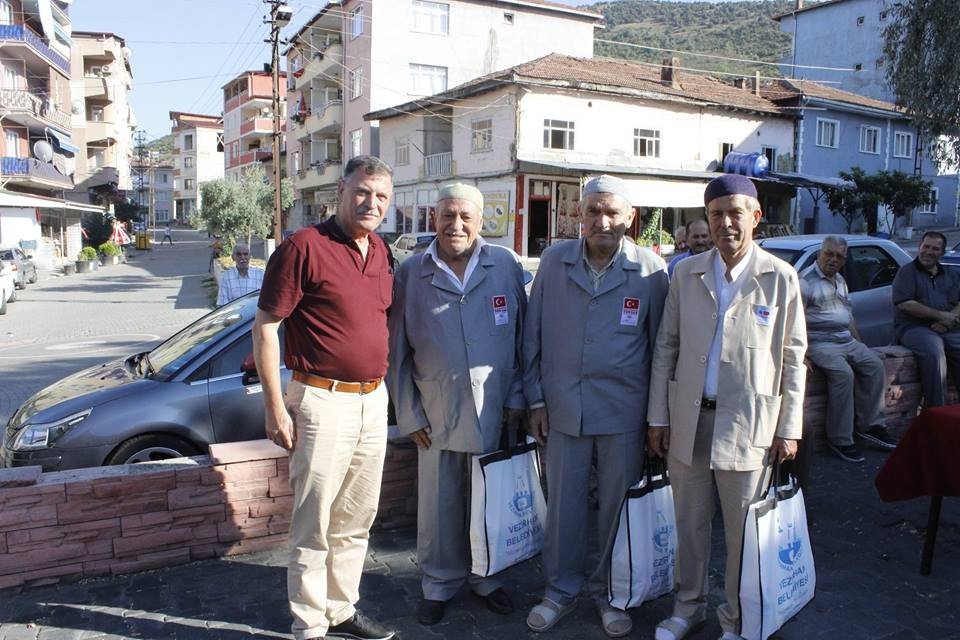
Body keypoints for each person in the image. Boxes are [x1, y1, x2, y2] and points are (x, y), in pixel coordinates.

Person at [647, 174, 806, 640]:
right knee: (689, 525)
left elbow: (794, 358)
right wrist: (659, 415)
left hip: (749, 424)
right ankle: (687, 606)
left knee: (742, 535)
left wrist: (789, 426)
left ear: (756, 216)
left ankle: (735, 619)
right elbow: (667, 346)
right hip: (689, 419)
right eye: (716, 214)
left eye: (736, 212)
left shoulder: (780, 277)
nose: (726, 223)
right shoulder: (687, 271)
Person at [252, 155, 397, 640]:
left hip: (372, 402)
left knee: (356, 517)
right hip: (320, 399)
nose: (370, 203)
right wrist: (275, 406)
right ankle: (310, 623)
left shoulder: (380, 251)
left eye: (380, 197)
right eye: (362, 192)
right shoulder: (302, 248)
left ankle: (341, 608)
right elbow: (267, 327)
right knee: (313, 520)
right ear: (341, 189)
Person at [523, 175, 669, 638]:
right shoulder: (553, 262)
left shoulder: (649, 271)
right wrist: (537, 398)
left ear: (630, 217)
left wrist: (655, 417)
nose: (602, 221)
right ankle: (560, 591)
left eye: (612, 212)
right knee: (564, 505)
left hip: (623, 411)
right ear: (579, 216)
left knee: (615, 507)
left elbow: (661, 349)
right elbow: (534, 335)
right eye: (593, 211)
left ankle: (609, 593)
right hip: (563, 406)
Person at [387, 183, 526, 627]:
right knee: (440, 507)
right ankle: (439, 584)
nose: (456, 225)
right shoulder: (411, 271)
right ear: (434, 220)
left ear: (481, 221)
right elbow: (397, 354)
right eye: (448, 216)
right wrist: (408, 414)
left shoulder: (504, 264)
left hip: (496, 408)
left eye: (466, 217)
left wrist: (520, 396)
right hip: (436, 411)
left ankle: (488, 578)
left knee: (491, 502)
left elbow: (524, 338)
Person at [799, 236, 897, 463]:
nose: (833, 259)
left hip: (845, 340)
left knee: (874, 365)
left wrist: (860, 344)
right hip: (819, 342)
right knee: (844, 374)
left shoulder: (841, 280)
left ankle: (871, 425)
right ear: (819, 254)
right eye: (829, 254)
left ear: (844, 259)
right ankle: (840, 439)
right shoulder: (804, 281)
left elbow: (849, 317)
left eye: (839, 256)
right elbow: (793, 319)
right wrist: (800, 352)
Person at [892, 230, 960, 407]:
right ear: (919, 247)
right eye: (926, 246)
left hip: (947, 327)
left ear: (942, 253)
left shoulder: (950, 274)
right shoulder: (906, 272)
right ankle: (937, 410)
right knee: (934, 354)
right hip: (914, 328)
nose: (929, 251)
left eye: (935, 249)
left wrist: (949, 320)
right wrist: (941, 316)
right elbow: (905, 303)